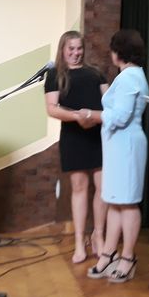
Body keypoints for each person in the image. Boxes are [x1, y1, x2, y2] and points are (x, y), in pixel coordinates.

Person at [85, 29, 149, 283]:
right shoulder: (129, 75)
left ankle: (128, 257)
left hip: (127, 145)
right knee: (114, 201)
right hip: (118, 145)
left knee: (128, 202)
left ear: (118, 52)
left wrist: (91, 115)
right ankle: (109, 253)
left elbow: (121, 117)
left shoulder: (129, 77)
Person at [44, 31, 108, 264]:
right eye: (70, 49)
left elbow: (109, 102)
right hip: (73, 137)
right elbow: (52, 108)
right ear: (63, 50)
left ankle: (98, 235)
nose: (75, 53)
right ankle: (79, 242)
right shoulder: (54, 75)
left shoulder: (96, 73)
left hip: (99, 135)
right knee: (79, 188)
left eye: (79, 48)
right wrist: (78, 117)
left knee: (103, 188)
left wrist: (94, 117)